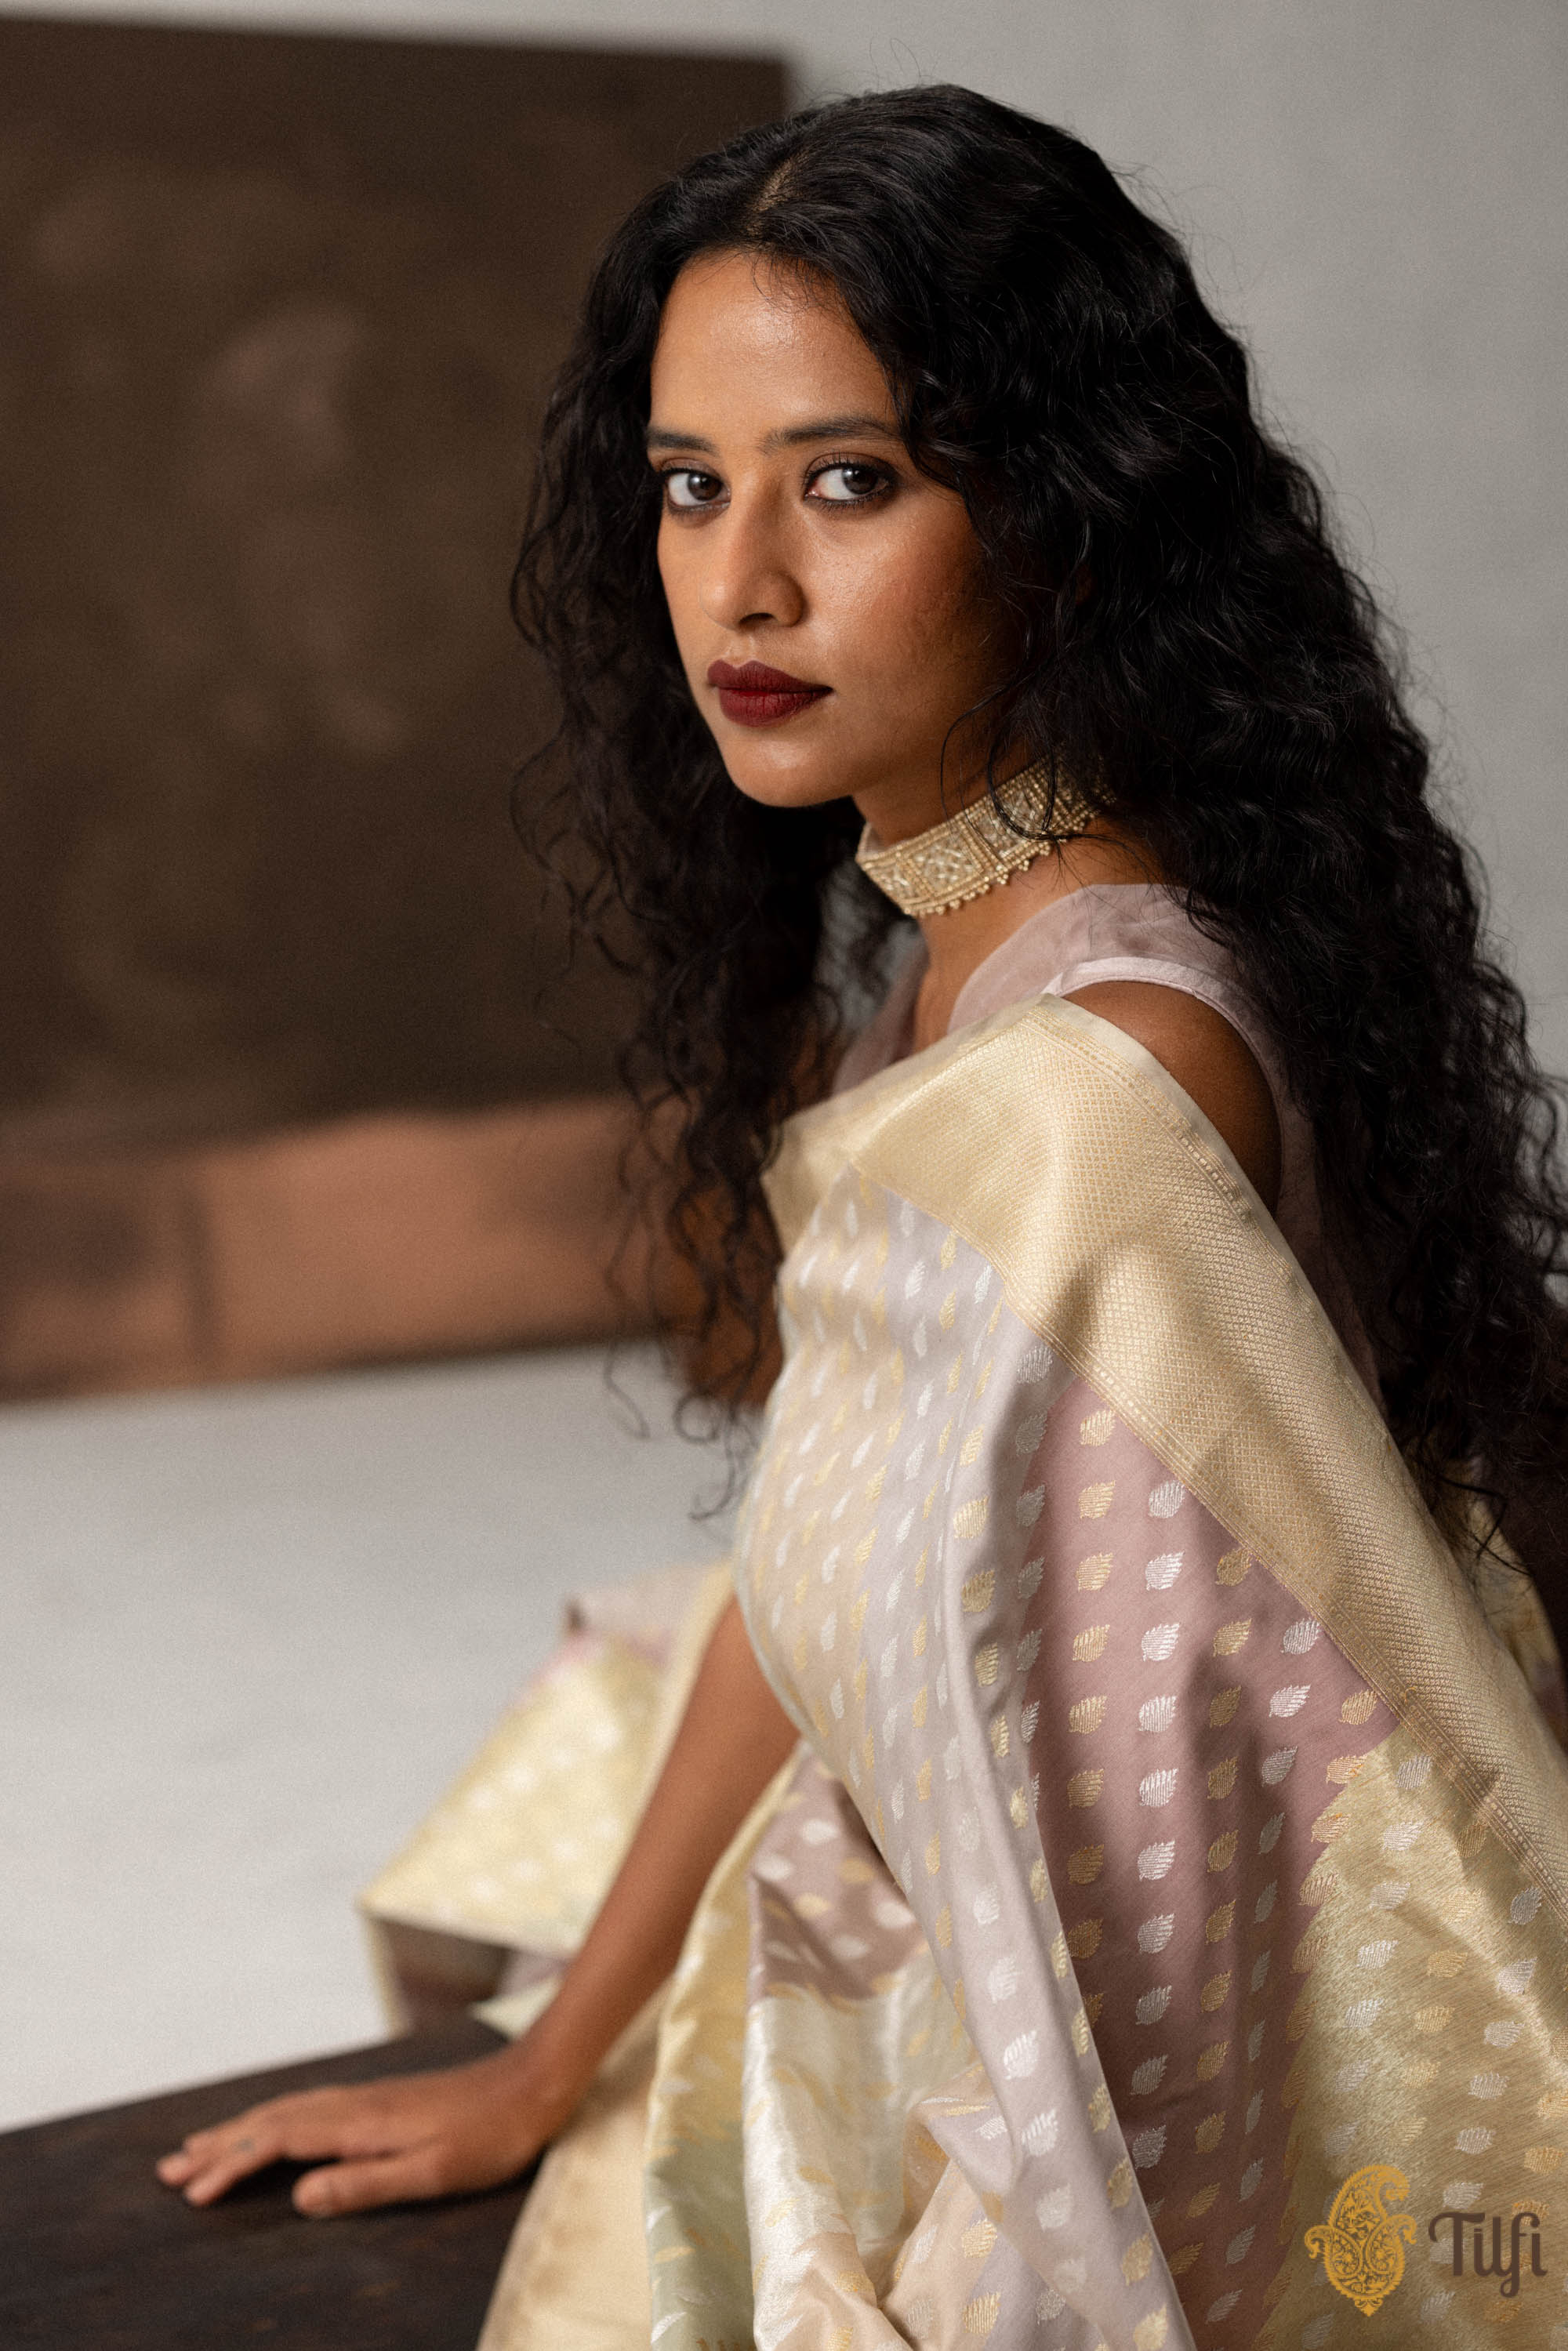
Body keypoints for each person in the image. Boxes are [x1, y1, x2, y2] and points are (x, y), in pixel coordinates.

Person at [158, 85, 1568, 2350]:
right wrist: (551, 2053)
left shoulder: (1088, 1099)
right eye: (687, 485)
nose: (742, 583)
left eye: (848, 481)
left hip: (1115, 2024)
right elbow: (822, 1562)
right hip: (956, 1835)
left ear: (1069, 520)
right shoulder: (959, 954)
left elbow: (1175, 1895)